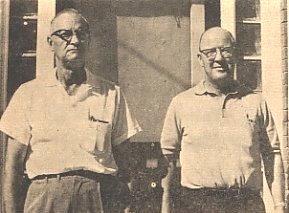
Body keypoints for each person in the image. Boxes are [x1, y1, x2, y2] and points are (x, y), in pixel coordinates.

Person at [1, 8, 141, 213]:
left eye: (81, 33)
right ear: (50, 43)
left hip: (98, 197)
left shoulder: (110, 93)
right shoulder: (28, 94)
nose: (74, 40)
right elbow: (12, 169)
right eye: (65, 34)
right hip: (44, 198)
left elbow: (126, 165)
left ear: (88, 41)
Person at [160, 27, 285, 213]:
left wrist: (280, 205)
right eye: (210, 52)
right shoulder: (181, 103)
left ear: (234, 55)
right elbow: (167, 159)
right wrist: (165, 206)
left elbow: (272, 154)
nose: (219, 58)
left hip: (246, 204)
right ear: (200, 59)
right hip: (198, 204)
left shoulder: (255, 102)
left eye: (225, 50)